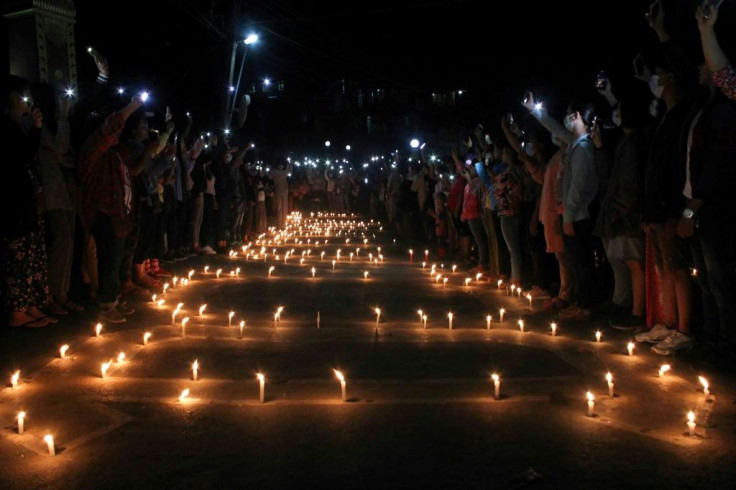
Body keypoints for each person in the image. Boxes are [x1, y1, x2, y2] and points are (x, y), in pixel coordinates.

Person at [77, 95, 145, 323]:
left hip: (117, 215)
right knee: (108, 259)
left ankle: (112, 300)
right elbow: (109, 129)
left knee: (114, 259)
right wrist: (132, 107)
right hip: (102, 213)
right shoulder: (92, 151)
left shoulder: (114, 155)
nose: (116, 135)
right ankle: (106, 306)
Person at [593, 90, 650, 331]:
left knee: (634, 263)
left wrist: (618, 211)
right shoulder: (625, 143)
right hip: (621, 213)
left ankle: (637, 313)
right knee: (623, 262)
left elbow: (629, 183)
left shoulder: (634, 143)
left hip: (627, 215)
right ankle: (626, 305)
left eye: (620, 112)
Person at [1, 75, 55, 328]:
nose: (26, 101)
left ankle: (32, 305)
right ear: (10, 98)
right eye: (21, 96)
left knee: (33, 254)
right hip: (15, 205)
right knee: (19, 257)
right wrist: (35, 128)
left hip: (28, 203)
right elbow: (22, 154)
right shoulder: (6, 129)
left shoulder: (18, 128)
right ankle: (18, 312)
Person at [31, 82, 84, 314]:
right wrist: (63, 117)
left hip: (66, 190)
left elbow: (69, 155)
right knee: (61, 239)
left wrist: (63, 158)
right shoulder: (35, 124)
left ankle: (62, 293)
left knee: (69, 240)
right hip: (49, 192)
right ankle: (52, 295)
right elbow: (60, 146)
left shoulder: (53, 124)